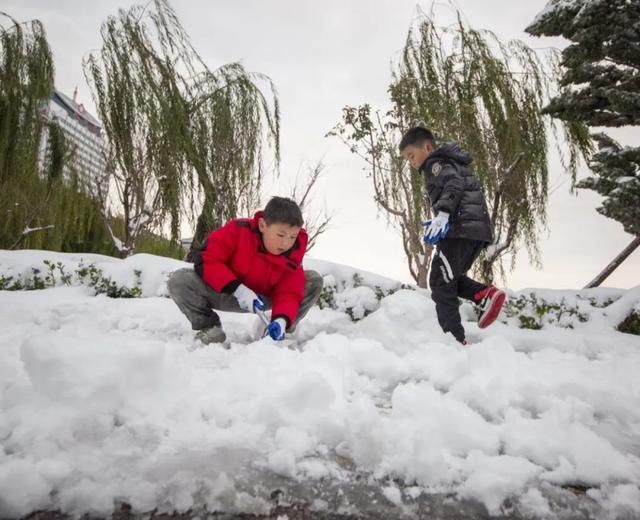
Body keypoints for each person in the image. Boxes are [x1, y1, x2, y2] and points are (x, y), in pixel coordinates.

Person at [399, 126, 506, 345]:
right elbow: (459, 187)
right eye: (407, 160)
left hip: (460, 231)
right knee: (449, 279)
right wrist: (439, 217)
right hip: (474, 231)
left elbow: (453, 185)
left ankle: (454, 341)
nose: (412, 163)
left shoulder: (435, 164)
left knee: (439, 282)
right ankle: (484, 295)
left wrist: (444, 215)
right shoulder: (452, 163)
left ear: (428, 147)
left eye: (412, 155)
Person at [167, 196, 323, 346]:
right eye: (280, 234)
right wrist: (238, 289)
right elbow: (206, 259)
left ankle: (276, 330)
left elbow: (289, 293)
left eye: (292, 236)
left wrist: (282, 319)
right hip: (226, 292)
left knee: (312, 280)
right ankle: (210, 328)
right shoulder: (238, 231)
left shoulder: (293, 255)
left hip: (263, 300)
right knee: (180, 280)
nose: (286, 242)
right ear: (263, 225)